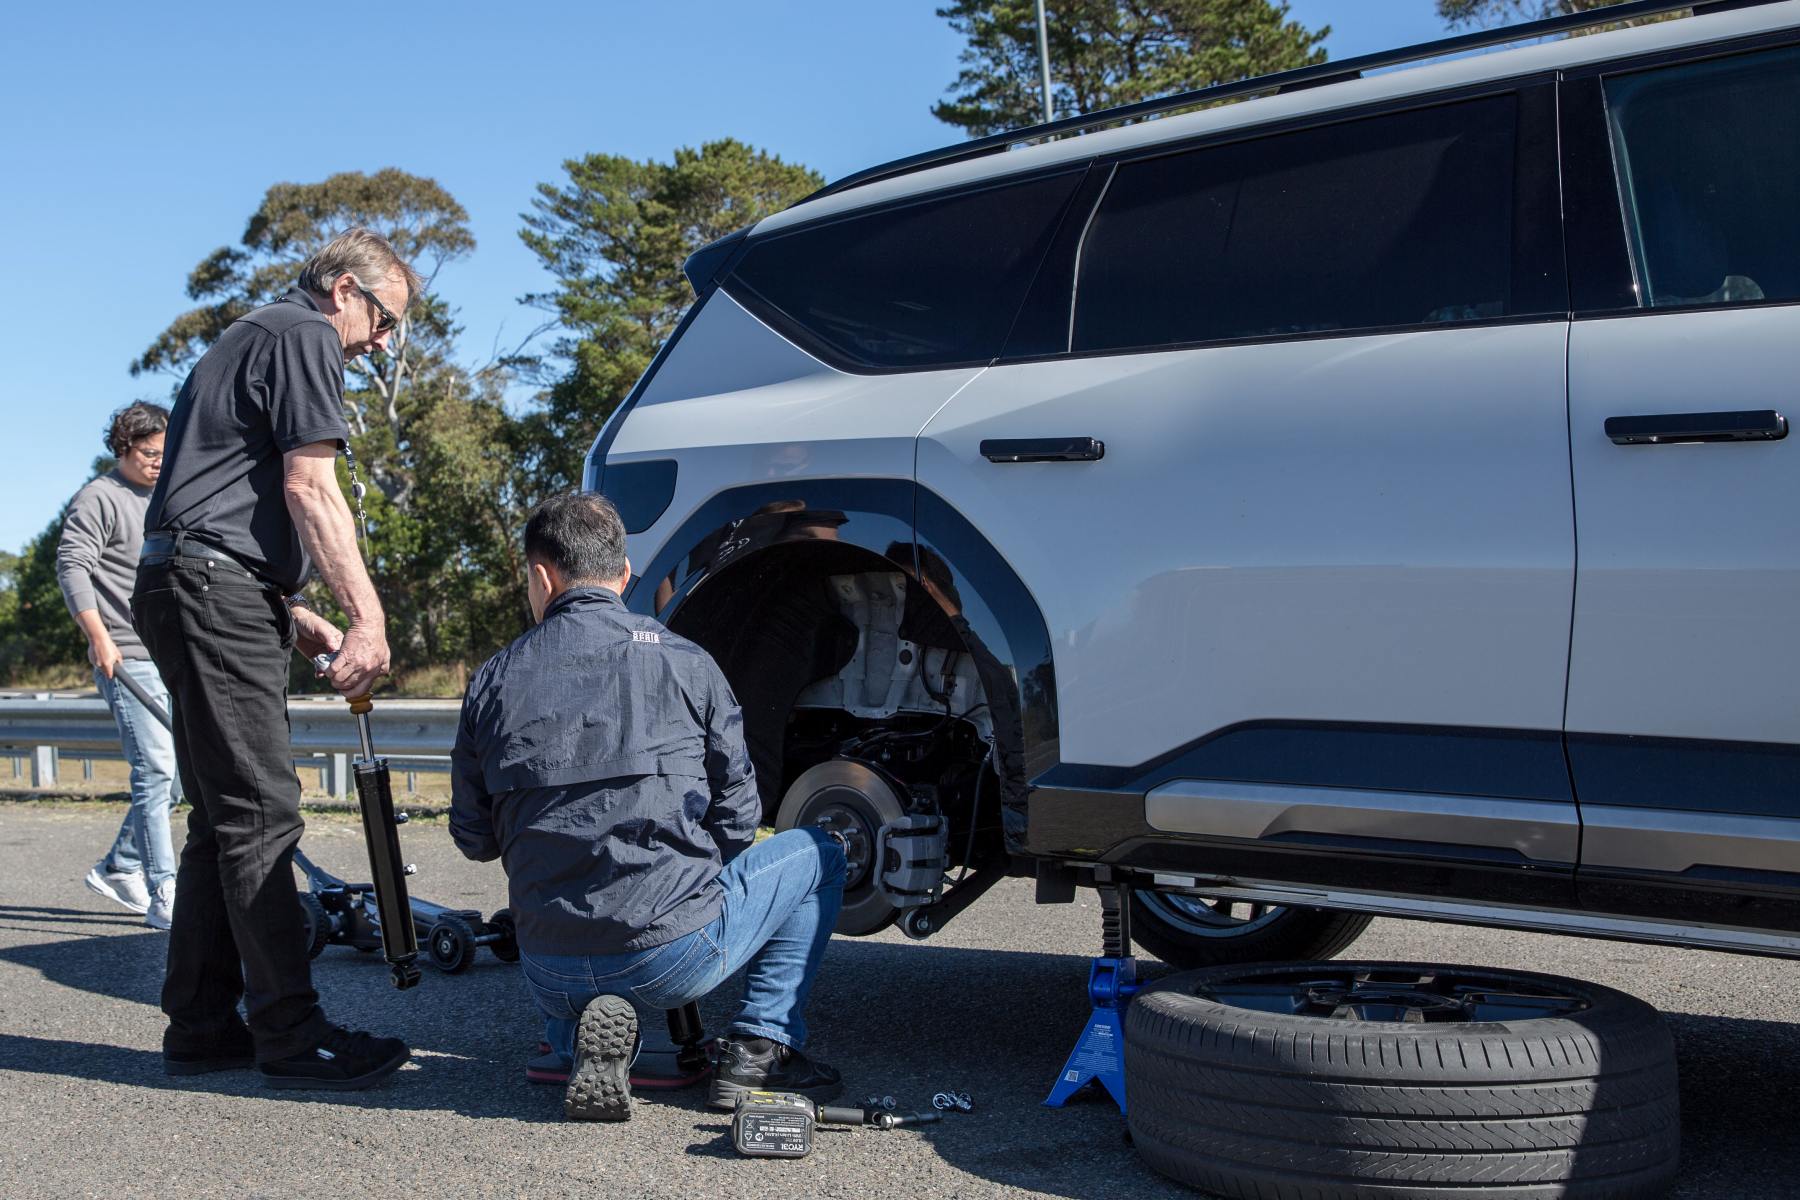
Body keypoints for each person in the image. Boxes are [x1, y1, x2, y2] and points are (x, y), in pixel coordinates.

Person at [449, 492, 847, 1122]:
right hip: (672, 957)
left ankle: (571, 1035)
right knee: (821, 852)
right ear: (625, 576)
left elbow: (474, 839)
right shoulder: (688, 663)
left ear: (541, 576)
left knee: (561, 893)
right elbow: (741, 818)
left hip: (547, 967)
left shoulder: (493, 679)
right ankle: (759, 1048)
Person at [132, 227, 420, 1090]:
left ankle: (201, 1026)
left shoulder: (250, 336)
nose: (384, 339)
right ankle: (292, 1036)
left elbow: (212, 500)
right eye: (383, 317)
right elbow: (308, 488)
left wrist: (289, 612)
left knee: (224, 816)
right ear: (341, 289)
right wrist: (365, 618)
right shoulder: (301, 336)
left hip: (197, 583)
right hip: (210, 586)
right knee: (262, 812)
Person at [58, 402, 180, 930]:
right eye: (148, 453)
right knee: (154, 769)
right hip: (125, 655)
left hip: (167, 654)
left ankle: (122, 864)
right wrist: (99, 638)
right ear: (123, 449)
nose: (158, 462)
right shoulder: (99, 497)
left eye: (164, 452)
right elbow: (72, 565)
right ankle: (163, 889)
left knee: (178, 777)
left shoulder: (163, 500)